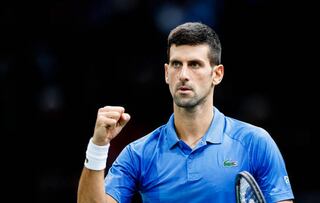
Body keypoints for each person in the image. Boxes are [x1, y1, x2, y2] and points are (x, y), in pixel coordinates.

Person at [77, 22, 294, 203]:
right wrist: (98, 146)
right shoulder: (139, 153)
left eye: (195, 65)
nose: (183, 74)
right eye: (176, 64)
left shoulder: (255, 142)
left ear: (217, 74)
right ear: (166, 73)